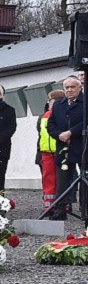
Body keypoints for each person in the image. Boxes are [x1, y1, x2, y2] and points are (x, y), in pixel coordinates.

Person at [46, 76, 85, 219]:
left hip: (82, 145)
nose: (69, 90)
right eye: (67, 87)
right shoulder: (58, 104)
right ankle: (61, 209)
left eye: (72, 87)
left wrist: (71, 132)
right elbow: (50, 125)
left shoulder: (85, 102)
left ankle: (85, 208)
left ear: (79, 87)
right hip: (63, 146)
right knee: (62, 180)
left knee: (84, 177)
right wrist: (60, 135)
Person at [37, 89, 65, 212]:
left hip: (60, 150)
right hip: (46, 152)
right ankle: (48, 203)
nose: (51, 104)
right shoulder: (44, 116)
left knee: (62, 179)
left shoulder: (64, 114)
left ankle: (63, 203)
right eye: (50, 101)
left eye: (54, 101)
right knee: (48, 178)